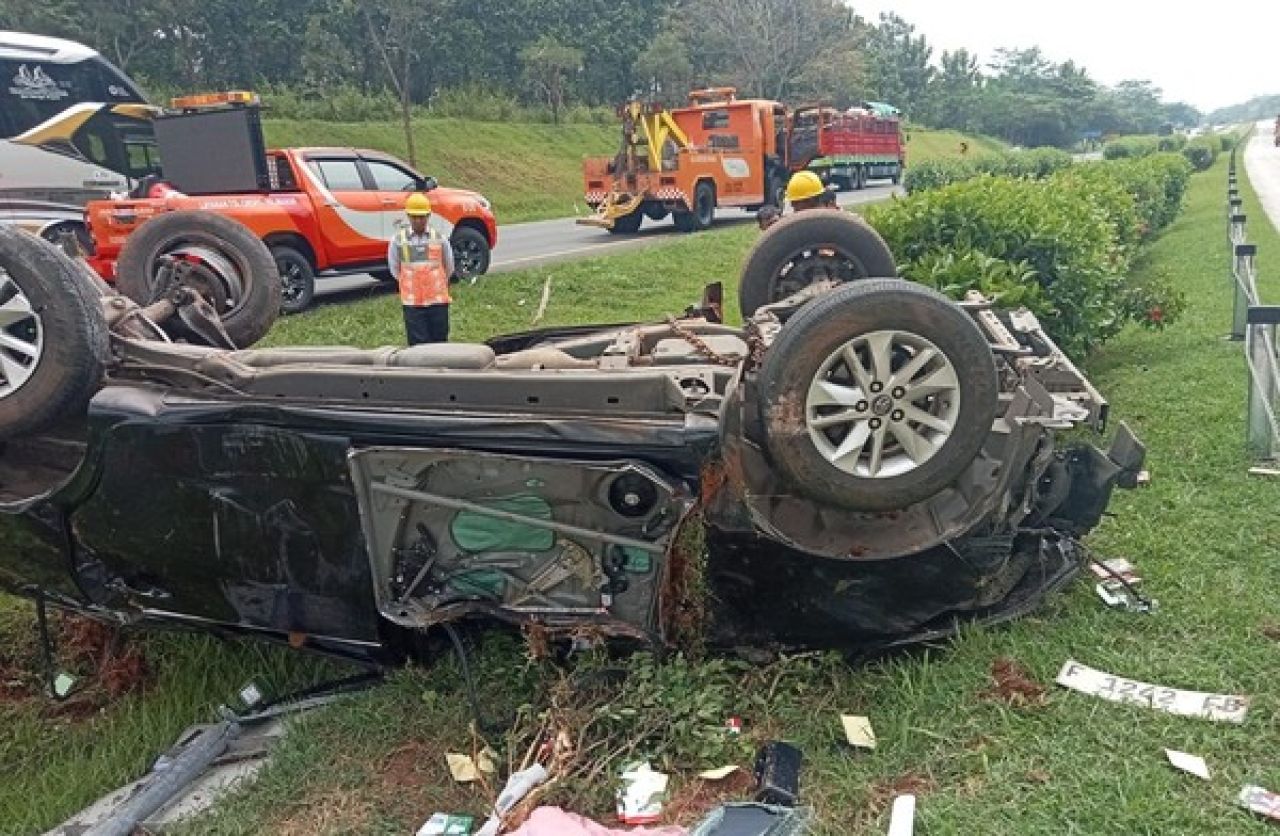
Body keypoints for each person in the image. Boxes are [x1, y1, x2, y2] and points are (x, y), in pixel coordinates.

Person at [387, 193, 454, 345]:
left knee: (440, 344)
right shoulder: (397, 241)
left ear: (428, 215)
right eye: (414, 217)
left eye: (422, 217)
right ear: (408, 216)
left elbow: (448, 266)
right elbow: (395, 269)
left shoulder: (440, 238)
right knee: (418, 347)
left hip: (437, 302)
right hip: (413, 304)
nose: (418, 220)